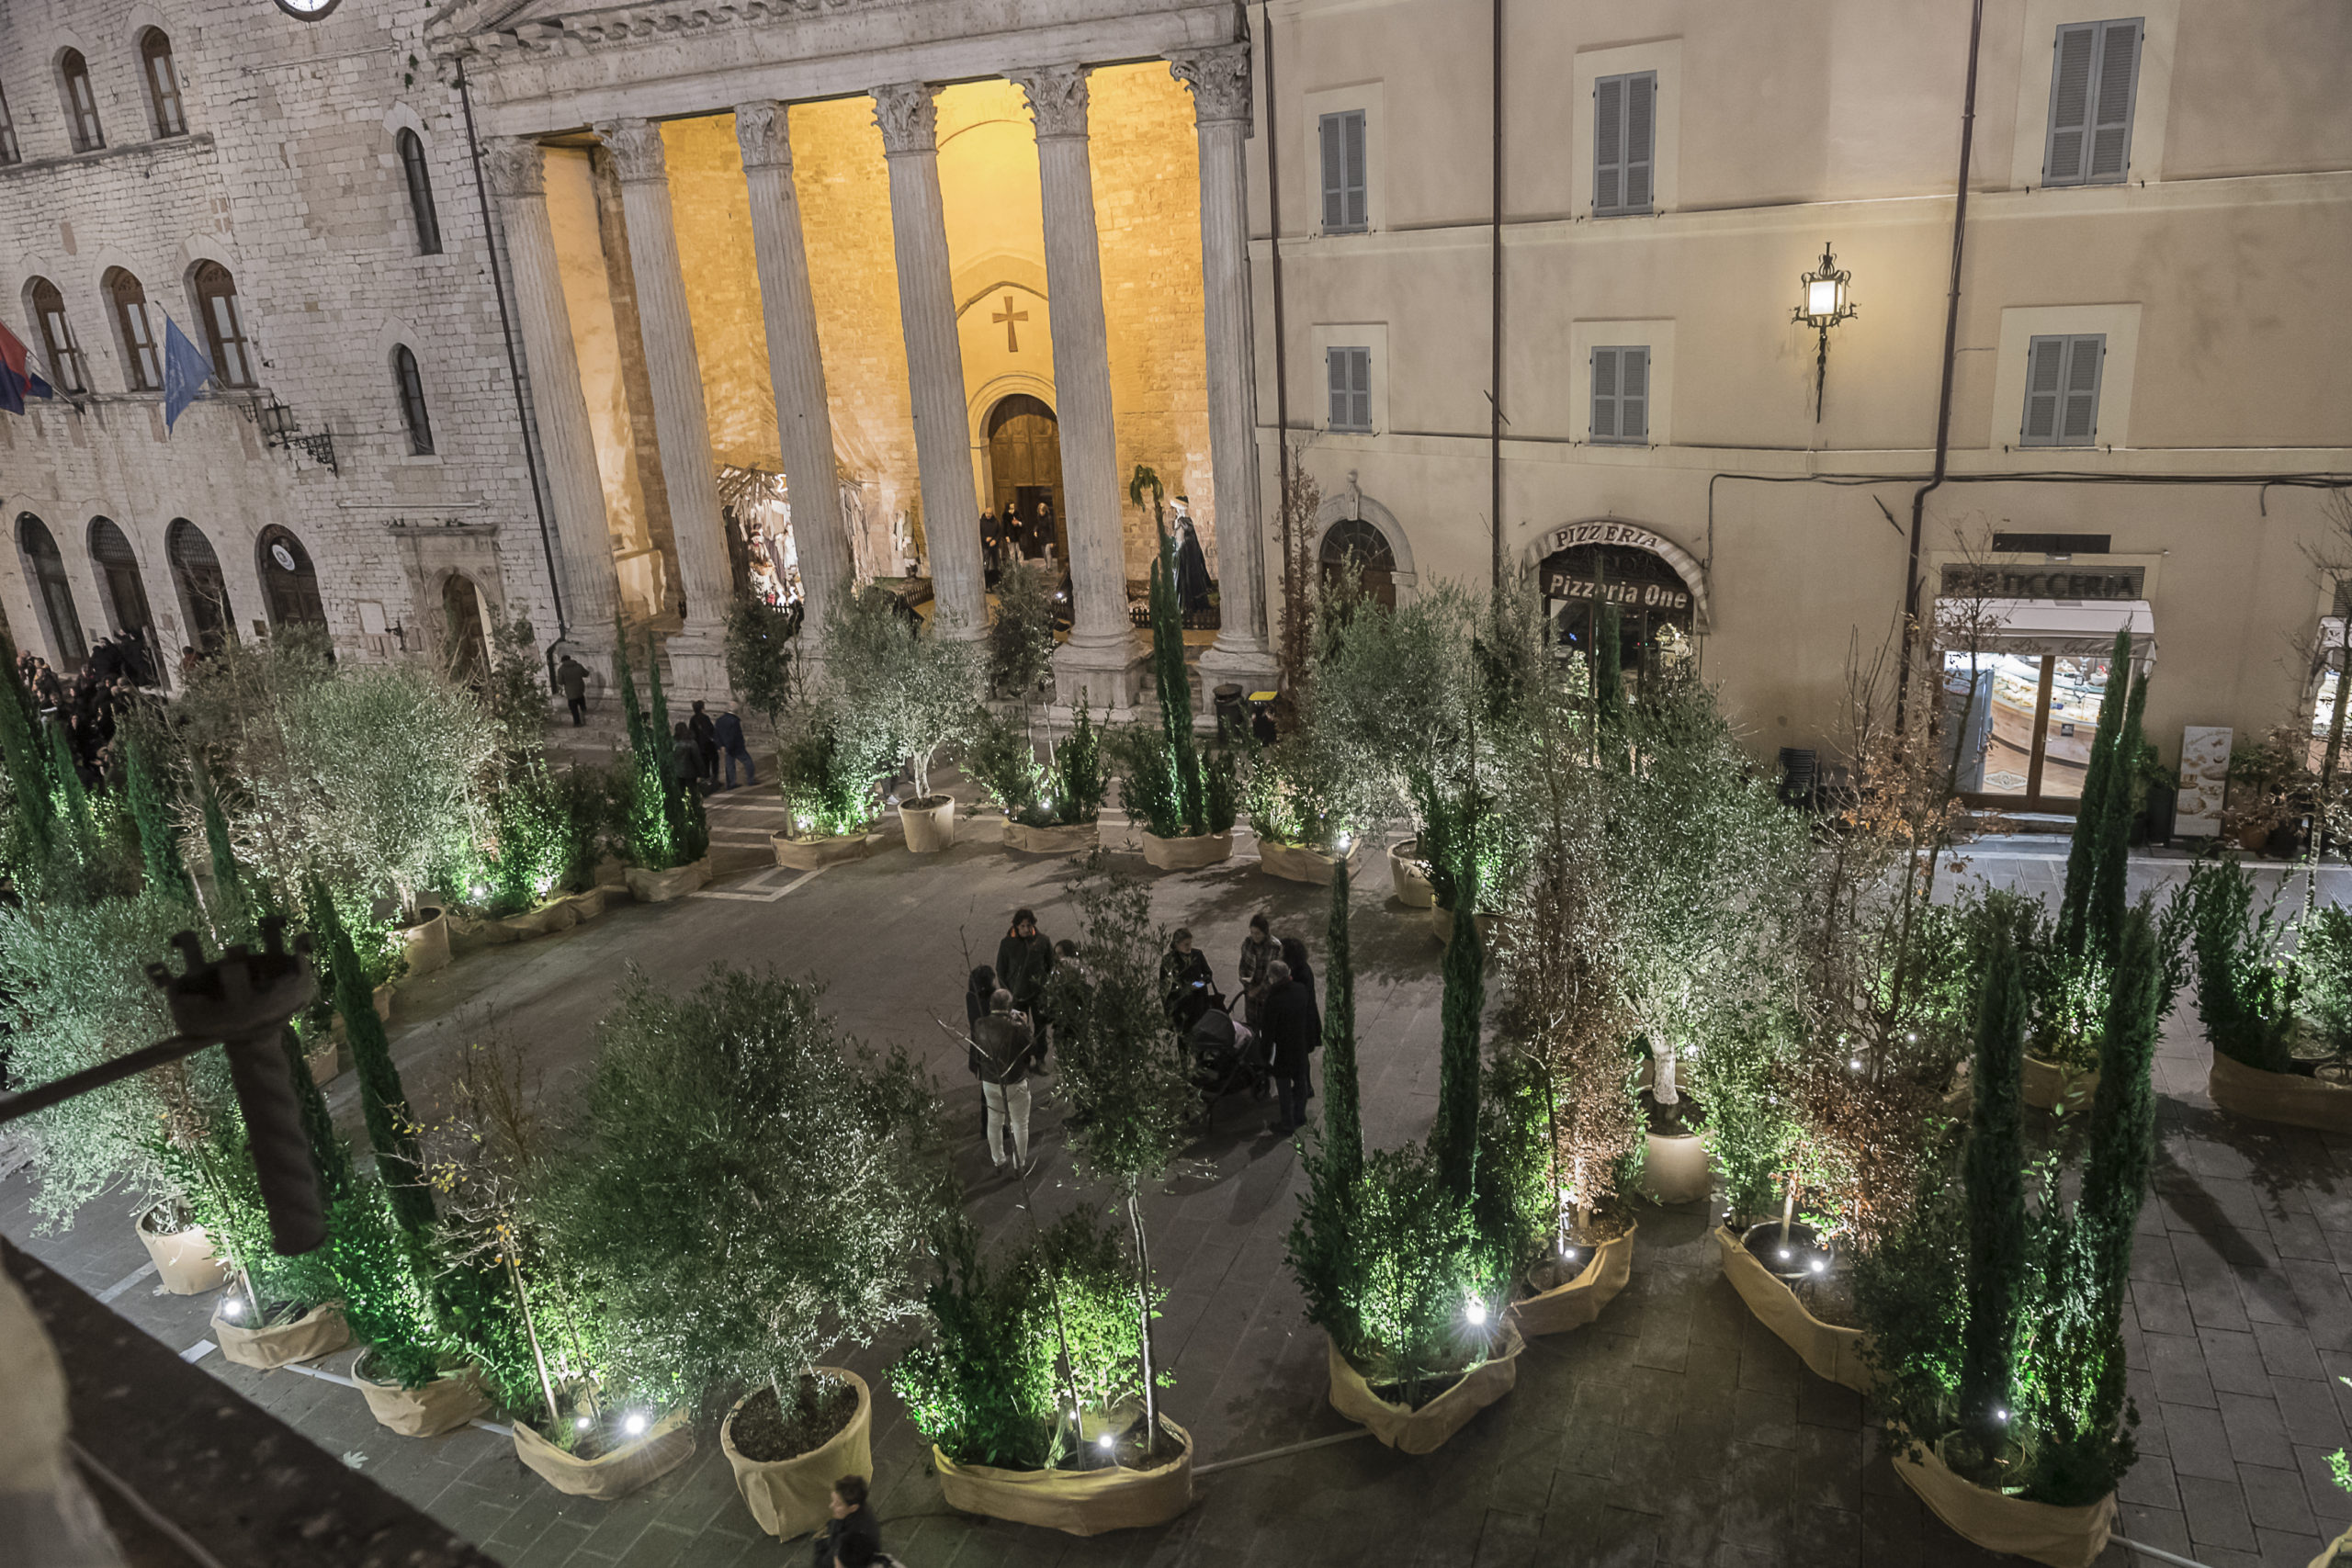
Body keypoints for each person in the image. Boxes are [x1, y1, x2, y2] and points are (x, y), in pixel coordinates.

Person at [973, 988, 1042, 1170]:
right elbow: (1033, 1047)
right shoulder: (1016, 1028)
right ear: (1009, 1007)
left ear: (991, 1005)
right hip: (1014, 1081)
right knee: (1020, 1124)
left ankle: (998, 1160)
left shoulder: (980, 1024)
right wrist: (1024, 1025)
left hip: (990, 1081)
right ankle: (1019, 1164)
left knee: (994, 1121)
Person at [1261, 960, 1318, 1134]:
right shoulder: (1300, 990)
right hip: (1299, 1045)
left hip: (1283, 1050)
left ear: (1273, 978)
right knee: (1300, 1082)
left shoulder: (1273, 1000)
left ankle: (1287, 1123)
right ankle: (1300, 1116)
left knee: (1284, 1088)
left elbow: (1268, 1031)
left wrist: (1264, 1055)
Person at [995, 908, 1057, 1023]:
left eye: (1029, 925)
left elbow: (1051, 965)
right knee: (1020, 1032)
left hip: (1038, 994)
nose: (1026, 929)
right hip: (1017, 996)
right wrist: (1008, 993)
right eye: (1022, 926)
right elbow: (1001, 969)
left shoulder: (1043, 941)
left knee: (1040, 1031)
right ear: (1017, 926)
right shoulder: (1007, 944)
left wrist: (1046, 986)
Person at [810, 1475, 880, 1568]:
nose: (831, 1506)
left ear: (853, 1507)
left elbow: (832, 1560)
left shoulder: (853, 1539)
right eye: (833, 1501)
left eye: (838, 1504)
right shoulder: (851, 1512)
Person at [1160, 927, 1215, 1031]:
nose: (1189, 947)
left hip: (1199, 1004)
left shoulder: (1197, 954)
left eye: (1190, 943)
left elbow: (1208, 975)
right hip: (1181, 1007)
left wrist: (1198, 984)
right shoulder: (1168, 960)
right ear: (1177, 944)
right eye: (1186, 944)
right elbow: (1163, 987)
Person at [1238, 914, 1278, 1031]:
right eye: (1252, 932)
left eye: (1257, 933)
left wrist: (1259, 988)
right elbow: (1243, 966)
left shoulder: (1275, 947)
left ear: (1265, 932)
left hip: (1267, 995)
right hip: (1250, 994)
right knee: (1251, 1025)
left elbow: (1275, 974)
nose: (1254, 936)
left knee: (1267, 1025)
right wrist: (1248, 986)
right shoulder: (1247, 944)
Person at [1172, 507, 1212, 615]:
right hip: (1185, 558)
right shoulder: (1185, 523)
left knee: (1186, 580)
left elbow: (1179, 541)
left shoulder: (1183, 523)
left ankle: (1186, 606)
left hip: (1185, 558)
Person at [714, 705, 756, 789]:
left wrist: (721, 746)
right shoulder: (735, 721)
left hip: (725, 747)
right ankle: (750, 780)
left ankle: (731, 783)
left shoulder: (719, 720)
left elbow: (716, 734)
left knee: (729, 765)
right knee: (748, 762)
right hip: (736, 747)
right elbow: (734, 736)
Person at [688, 700, 720, 787]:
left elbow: (691, 732)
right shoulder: (705, 718)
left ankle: (706, 779)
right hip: (708, 744)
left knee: (705, 762)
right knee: (714, 760)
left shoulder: (693, 719)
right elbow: (710, 730)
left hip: (699, 745)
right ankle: (714, 778)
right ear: (702, 708)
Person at [555, 653, 590, 727]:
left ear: (562, 661)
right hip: (580, 688)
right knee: (581, 700)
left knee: (573, 708)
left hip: (570, 692)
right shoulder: (578, 666)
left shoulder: (561, 669)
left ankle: (577, 723)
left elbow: (560, 682)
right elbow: (586, 674)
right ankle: (585, 714)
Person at [670, 720, 704, 795]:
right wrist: (701, 773)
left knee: (680, 793)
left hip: (677, 772)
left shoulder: (672, 742)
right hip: (690, 773)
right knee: (692, 793)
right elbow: (697, 759)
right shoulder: (691, 742)